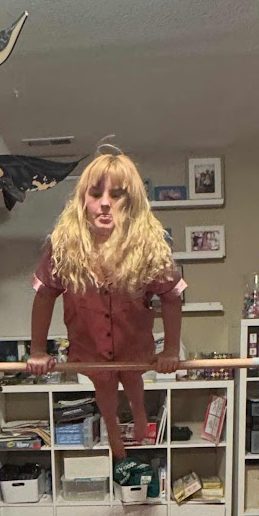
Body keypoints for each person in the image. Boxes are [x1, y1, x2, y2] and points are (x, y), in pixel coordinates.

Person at [28, 151, 185, 451]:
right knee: (103, 382)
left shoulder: (148, 246)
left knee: (132, 376)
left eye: (116, 195)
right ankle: (112, 426)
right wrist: (37, 350)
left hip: (132, 337)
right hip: (89, 340)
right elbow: (45, 294)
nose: (104, 203)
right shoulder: (63, 246)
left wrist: (171, 350)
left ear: (132, 201)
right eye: (96, 194)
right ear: (82, 200)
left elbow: (172, 295)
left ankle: (139, 413)